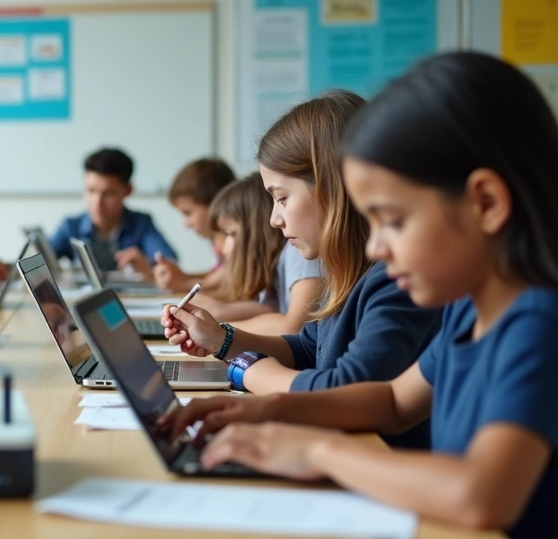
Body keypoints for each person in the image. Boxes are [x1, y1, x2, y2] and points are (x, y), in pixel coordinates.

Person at [159, 53, 558, 538]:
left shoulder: (538, 322)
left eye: (393, 220)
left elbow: (481, 496)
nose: (375, 246)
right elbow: (391, 400)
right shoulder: (467, 313)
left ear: (486, 204)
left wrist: (318, 450)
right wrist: (266, 408)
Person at [161, 91, 440, 446]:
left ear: (332, 188)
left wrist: (250, 371)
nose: (274, 219)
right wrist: (221, 339)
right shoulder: (344, 271)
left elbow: (345, 388)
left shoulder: (395, 279)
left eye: (281, 198)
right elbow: (309, 349)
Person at [191, 173, 321, 334]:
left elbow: (293, 327)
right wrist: (219, 312)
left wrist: (216, 329)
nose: (224, 249)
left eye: (230, 233)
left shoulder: (299, 252)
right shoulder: (283, 258)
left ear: (256, 233)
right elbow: (269, 310)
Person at [50, 147, 176, 274]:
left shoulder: (141, 224)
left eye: (108, 193)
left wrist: (147, 265)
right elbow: (44, 260)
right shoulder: (70, 226)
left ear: (128, 190)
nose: (97, 202)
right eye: (91, 190)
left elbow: (169, 262)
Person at [155, 157, 237, 292]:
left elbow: (229, 276)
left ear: (215, 204)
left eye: (188, 213)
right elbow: (215, 276)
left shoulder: (235, 240)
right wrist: (181, 276)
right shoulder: (217, 239)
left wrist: (185, 284)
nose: (186, 224)